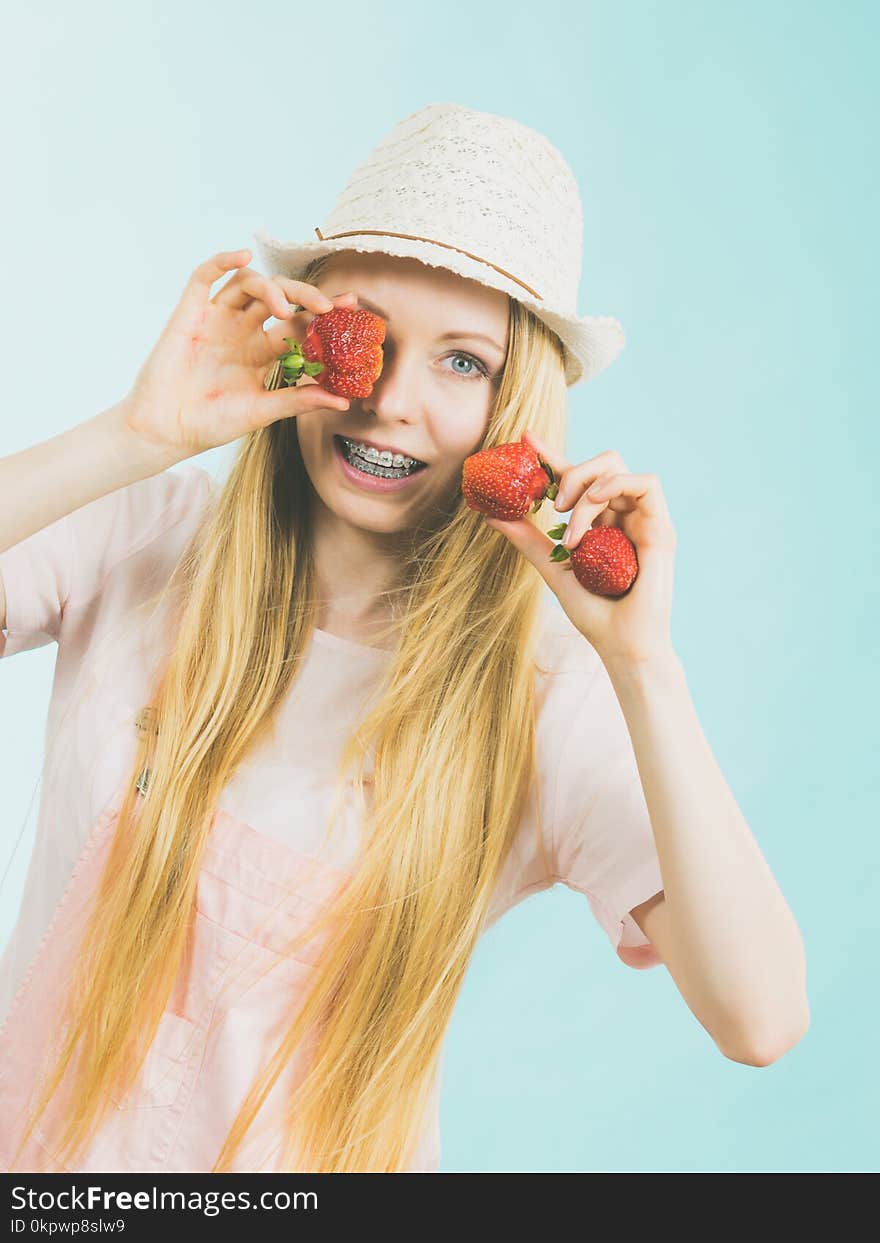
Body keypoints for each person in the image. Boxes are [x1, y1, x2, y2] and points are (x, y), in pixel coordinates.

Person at [0, 102, 807, 1174]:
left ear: (517, 398)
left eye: (463, 363)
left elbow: (761, 1019)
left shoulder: (534, 701)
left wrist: (642, 666)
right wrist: (135, 435)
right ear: (305, 333)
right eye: (366, 335)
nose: (387, 402)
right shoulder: (141, 543)